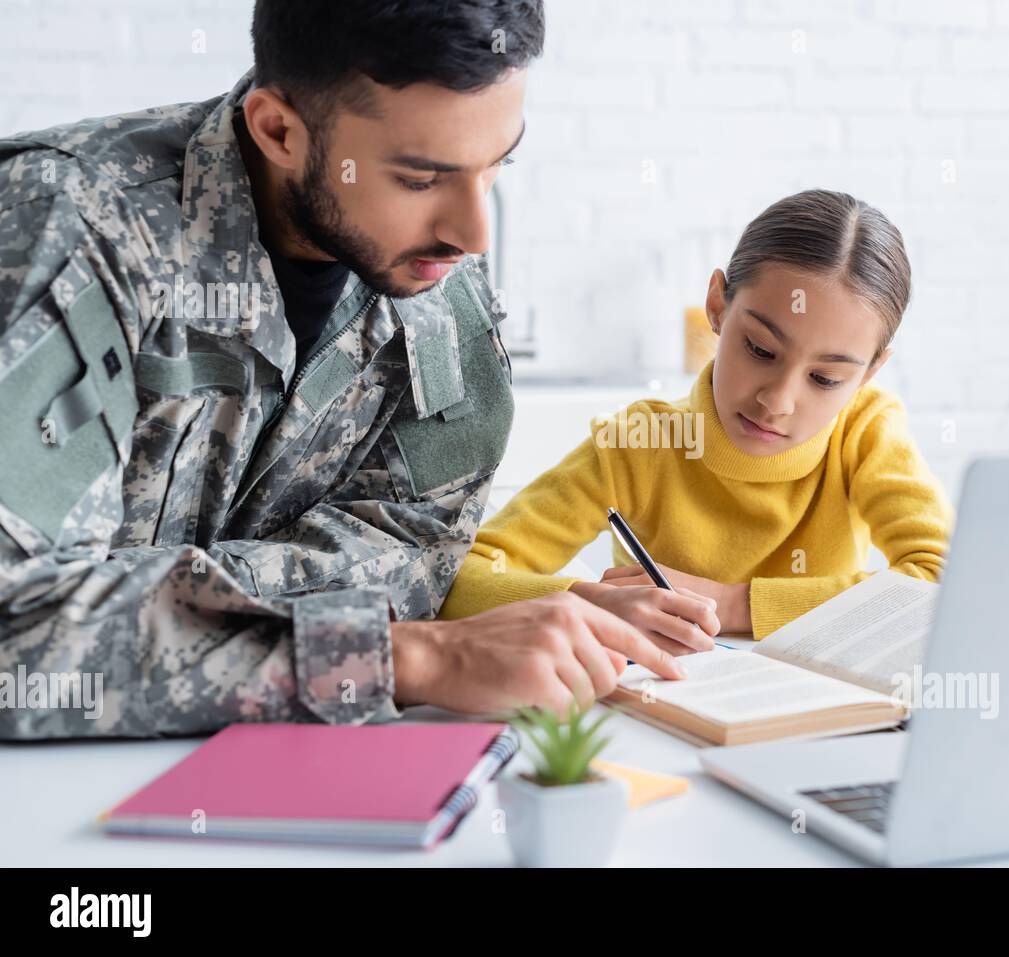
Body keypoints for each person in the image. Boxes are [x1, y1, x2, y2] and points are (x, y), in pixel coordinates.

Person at [0, 0, 693, 740]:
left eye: (497, 166)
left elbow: (415, 556)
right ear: (280, 131)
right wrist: (402, 656)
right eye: (421, 178)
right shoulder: (71, 227)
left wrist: (138, 612)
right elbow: (16, 636)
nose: (474, 233)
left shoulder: (439, 290)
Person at [440, 189, 953, 648]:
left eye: (825, 379)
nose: (777, 402)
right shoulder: (637, 444)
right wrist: (589, 603)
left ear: (870, 372)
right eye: (759, 348)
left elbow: (943, 585)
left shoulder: (866, 429)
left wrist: (732, 605)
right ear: (716, 306)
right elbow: (459, 582)